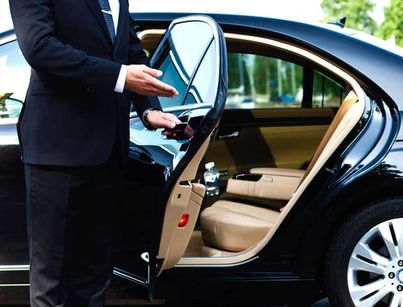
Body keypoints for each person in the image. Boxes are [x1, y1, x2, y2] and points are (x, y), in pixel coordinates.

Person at [9, 0, 179, 306]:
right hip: (57, 151)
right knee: (54, 283)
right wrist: (120, 77)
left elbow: (128, 51)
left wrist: (149, 110)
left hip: (109, 150)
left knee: (95, 277)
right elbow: (40, 48)